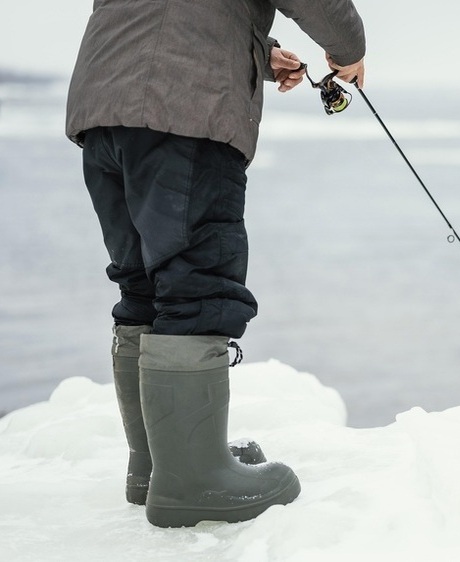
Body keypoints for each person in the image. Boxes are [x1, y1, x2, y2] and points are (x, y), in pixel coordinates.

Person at [65, 0, 366, 528]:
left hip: (104, 109)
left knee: (143, 285)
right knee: (194, 285)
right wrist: (349, 50)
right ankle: (191, 482)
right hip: (184, 109)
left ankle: (159, 463)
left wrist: (260, 50)